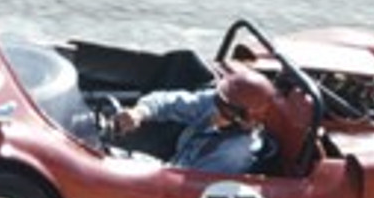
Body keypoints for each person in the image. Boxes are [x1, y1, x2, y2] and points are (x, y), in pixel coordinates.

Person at [113, 68, 277, 174]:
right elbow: (169, 102)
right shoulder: (216, 103)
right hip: (171, 169)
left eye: (226, 111)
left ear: (245, 121)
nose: (216, 111)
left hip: (178, 189)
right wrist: (139, 112)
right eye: (218, 102)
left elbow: (190, 188)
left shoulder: (233, 155)